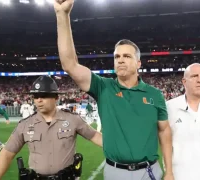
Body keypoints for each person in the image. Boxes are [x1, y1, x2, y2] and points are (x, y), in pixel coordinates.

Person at [54, 1, 174, 179]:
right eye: (117, 56)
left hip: (150, 171)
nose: (120, 60)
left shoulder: (155, 94)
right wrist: (62, 15)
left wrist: (169, 171)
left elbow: (164, 131)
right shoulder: (103, 87)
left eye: (127, 56)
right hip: (115, 172)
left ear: (138, 63)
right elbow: (70, 65)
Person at [0, 75, 103, 180]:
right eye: (36, 96)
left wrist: (119, 147)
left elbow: (96, 137)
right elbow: (6, 154)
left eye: (44, 96)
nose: (39, 100)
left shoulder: (72, 119)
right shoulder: (24, 125)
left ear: (56, 97)